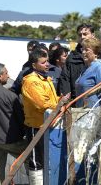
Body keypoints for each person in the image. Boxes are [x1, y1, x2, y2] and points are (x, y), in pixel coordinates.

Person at [21, 49, 70, 184]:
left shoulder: (45, 78)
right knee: (36, 161)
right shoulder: (31, 81)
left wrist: (61, 100)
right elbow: (42, 104)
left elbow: (51, 100)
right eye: (43, 63)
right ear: (34, 65)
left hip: (47, 124)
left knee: (45, 159)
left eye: (47, 61)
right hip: (36, 126)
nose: (47, 64)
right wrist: (60, 103)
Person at [58, 23, 95, 101]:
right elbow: (65, 79)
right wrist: (67, 100)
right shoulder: (72, 57)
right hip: (76, 100)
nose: (82, 37)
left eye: (85, 34)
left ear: (93, 35)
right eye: (80, 35)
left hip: (94, 100)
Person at [75, 38, 101, 108]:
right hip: (81, 111)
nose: (83, 52)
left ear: (96, 53)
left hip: (93, 112)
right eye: (82, 49)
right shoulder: (86, 68)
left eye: (87, 50)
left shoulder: (100, 68)